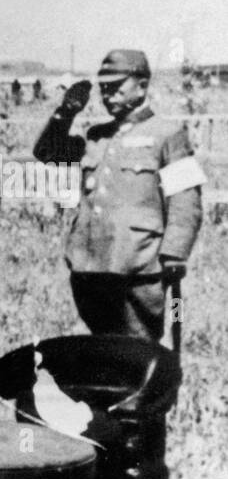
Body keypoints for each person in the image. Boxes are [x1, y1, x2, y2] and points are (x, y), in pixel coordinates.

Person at [32, 48, 204, 342]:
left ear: (142, 85)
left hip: (138, 263)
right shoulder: (96, 136)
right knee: (103, 347)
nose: (108, 95)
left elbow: (186, 199)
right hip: (91, 263)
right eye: (104, 89)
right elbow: (47, 153)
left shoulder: (168, 134)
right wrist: (65, 113)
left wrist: (175, 254)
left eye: (116, 87)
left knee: (139, 348)